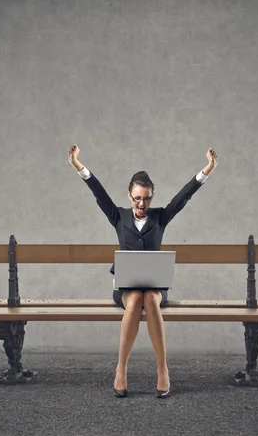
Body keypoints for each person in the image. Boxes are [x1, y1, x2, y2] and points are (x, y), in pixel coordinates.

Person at [68, 144, 218, 398]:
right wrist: (77, 164)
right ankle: (121, 370)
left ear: (152, 198)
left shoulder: (160, 217)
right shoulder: (118, 216)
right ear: (129, 196)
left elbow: (184, 196)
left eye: (147, 198)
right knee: (136, 297)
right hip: (126, 288)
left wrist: (208, 169)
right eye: (137, 197)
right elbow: (98, 192)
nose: (142, 203)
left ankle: (162, 371)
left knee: (149, 298)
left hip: (155, 287)